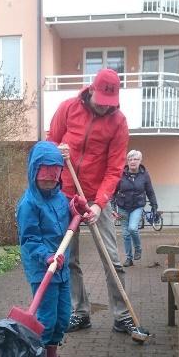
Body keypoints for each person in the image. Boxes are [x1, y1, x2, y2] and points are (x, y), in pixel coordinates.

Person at [47, 67, 136, 335]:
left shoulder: (118, 122)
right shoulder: (68, 108)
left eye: (109, 104)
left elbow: (114, 168)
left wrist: (99, 203)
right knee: (68, 257)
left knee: (112, 258)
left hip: (98, 197)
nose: (103, 109)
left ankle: (122, 316)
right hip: (65, 195)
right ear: (91, 90)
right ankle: (80, 312)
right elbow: (49, 144)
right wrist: (56, 150)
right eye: (100, 102)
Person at [17, 141, 80, 357]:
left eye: (53, 179)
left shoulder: (60, 198)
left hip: (61, 267)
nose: (49, 183)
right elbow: (30, 239)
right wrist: (46, 256)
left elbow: (70, 217)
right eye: (44, 180)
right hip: (42, 268)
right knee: (45, 317)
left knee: (62, 316)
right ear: (34, 174)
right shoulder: (28, 204)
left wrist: (77, 208)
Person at [114, 150, 158, 267]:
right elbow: (113, 191)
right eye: (130, 159)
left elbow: (150, 191)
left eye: (135, 159)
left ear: (140, 161)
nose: (133, 161)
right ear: (127, 161)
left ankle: (138, 249)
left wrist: (154, 205)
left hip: (137, 206)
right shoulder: (121, 174)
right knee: (125, 234)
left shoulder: (144, 175)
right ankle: (129, 258)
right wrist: (113, 208)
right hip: (123, 206)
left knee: (133, 228)